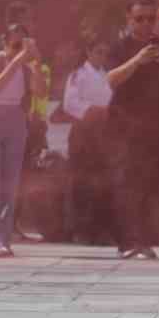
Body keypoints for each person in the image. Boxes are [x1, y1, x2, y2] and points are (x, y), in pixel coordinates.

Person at [106, 0, 159, 259]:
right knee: (127, 184)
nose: (146, 24)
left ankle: (144, 241)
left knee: (151, 185)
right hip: (124, 126)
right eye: (140, 19)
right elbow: (111, 79)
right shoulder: (120, 46)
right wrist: (138, 59)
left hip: (158, 125)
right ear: (129, 20)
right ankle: (128, 242)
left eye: (151, 18)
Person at [0, 23, 46, 257]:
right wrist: (19, 59)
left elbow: (41, 92)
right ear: (4, 44)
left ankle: (4, 238)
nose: (19, 50)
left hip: (15, 117)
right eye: (14, 45)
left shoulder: (25, 66)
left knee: (10, 181)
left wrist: (34, 64)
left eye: (23, 45)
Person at [63, 36, 114, 245]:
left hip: (103, 134)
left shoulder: (108, 75)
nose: (101, 56)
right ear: (89, 52)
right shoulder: (78, 75)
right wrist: (93, 111)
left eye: (104, 52)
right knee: (81, 181)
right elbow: (70, 103)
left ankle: (98, 228)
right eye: (98, 52)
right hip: (83, 132)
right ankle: (80, 229)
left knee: (101, 181)